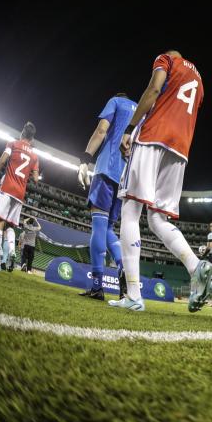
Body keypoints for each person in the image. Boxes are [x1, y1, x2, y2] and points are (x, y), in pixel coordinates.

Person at [115, 50, 212, 312]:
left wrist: (129, 128)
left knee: (130, 211)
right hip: (181, 149)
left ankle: (133, 295)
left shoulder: (167, 60)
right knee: (158, 219)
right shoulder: (200, 81)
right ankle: (196, 266)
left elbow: (154, 90)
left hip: (153, 137)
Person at [77, 92, 136, 300]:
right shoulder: (141, 111)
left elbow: (102, 130)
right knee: (109, 228)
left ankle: (97, 287)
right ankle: (123, 268)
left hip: (106, 169)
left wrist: (85, 159)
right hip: (125, 177)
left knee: (99, 226)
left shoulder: (116, 101)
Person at [0, 122, 40, 272]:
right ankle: (12, 250)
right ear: (32, 139)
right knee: (10, 226)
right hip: (20, 194)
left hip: (8, 188)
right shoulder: (35, 156)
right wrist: (29, 173)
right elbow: (36, 179)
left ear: (22, 133)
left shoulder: (13, 144)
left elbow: (2, 161)